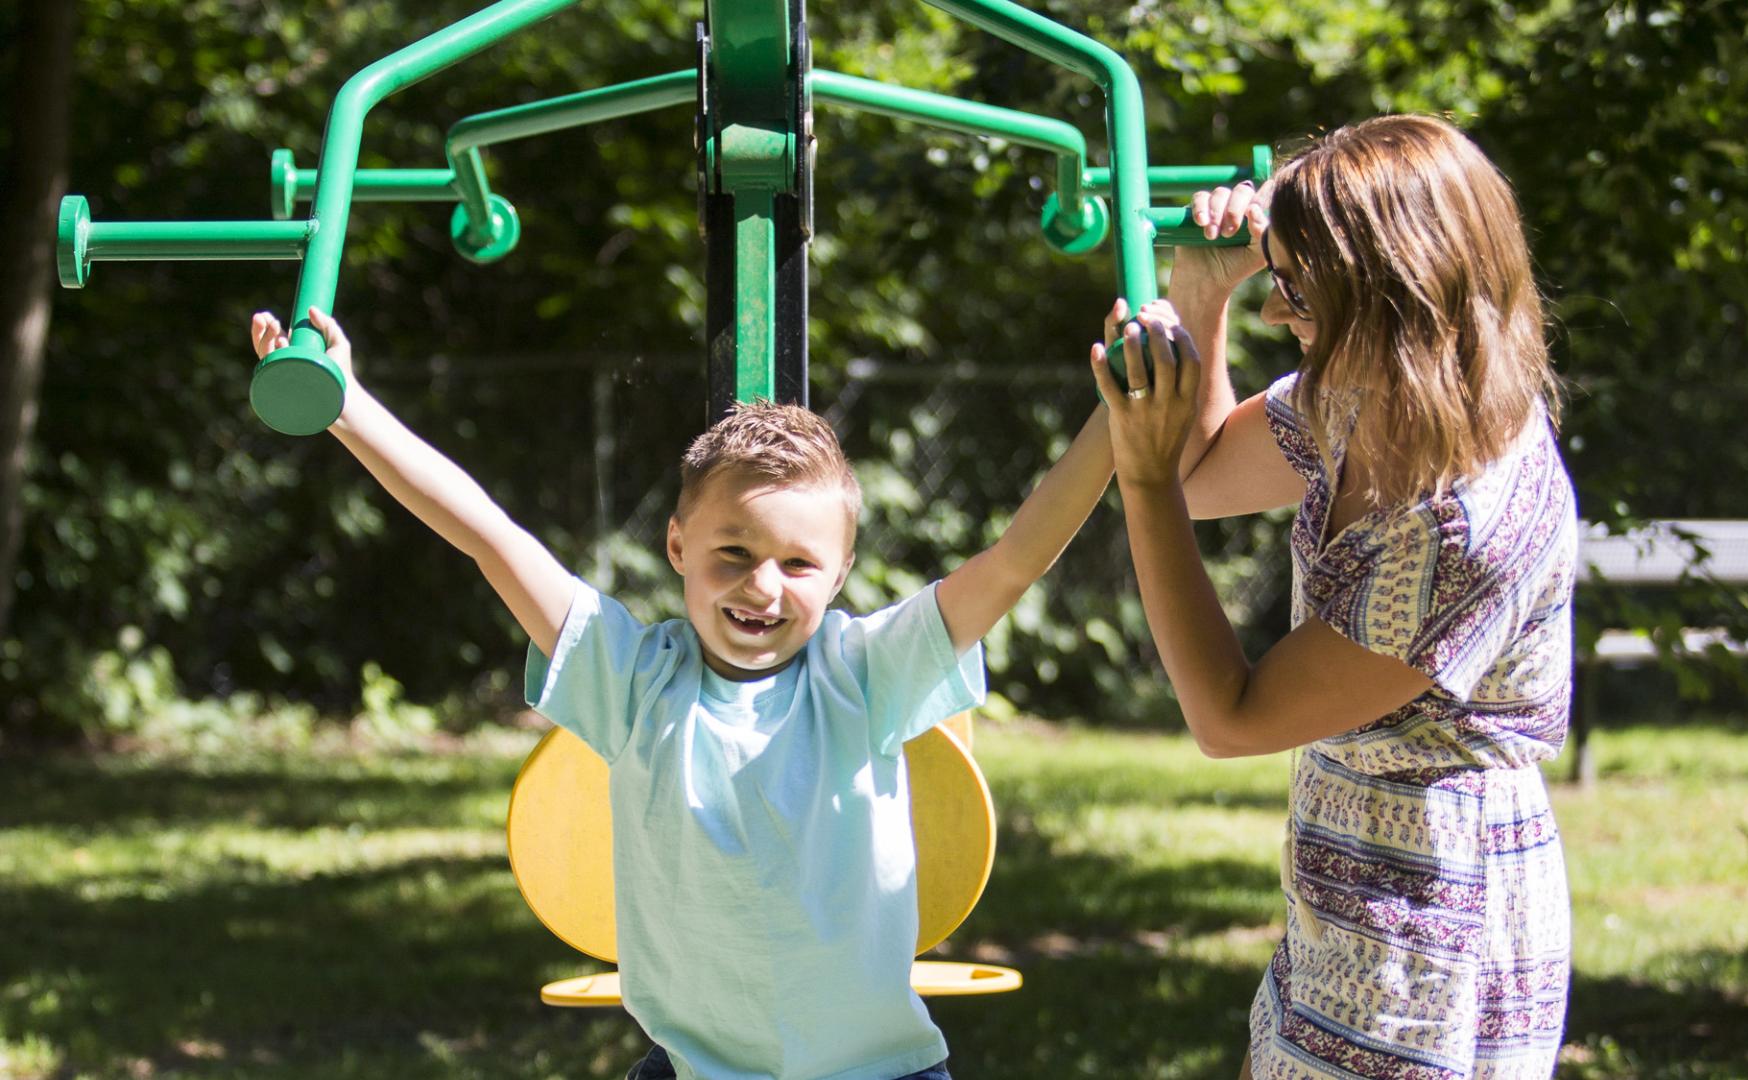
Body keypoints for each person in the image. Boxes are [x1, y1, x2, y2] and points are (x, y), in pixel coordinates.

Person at [248, 307, 1116, 1080]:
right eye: (732, 553)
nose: (762, 587)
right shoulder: (633, 680)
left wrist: (1118, 414)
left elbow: (1014, 561)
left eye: (799, 563)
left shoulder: (863, 675)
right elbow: (489, 537)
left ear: (842, 570)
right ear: (676, 544)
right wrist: (348, 406)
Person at [1089, 114, 1576, 1078]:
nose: (1280, 317)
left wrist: (1138, 484)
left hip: (1434, 926)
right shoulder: (1361, 392)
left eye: (1301, 294)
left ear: (1395, 296)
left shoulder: (1464, 528)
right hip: (1347, 882)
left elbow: (1231, 718)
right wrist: (1203, 295)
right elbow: (1206, 472)